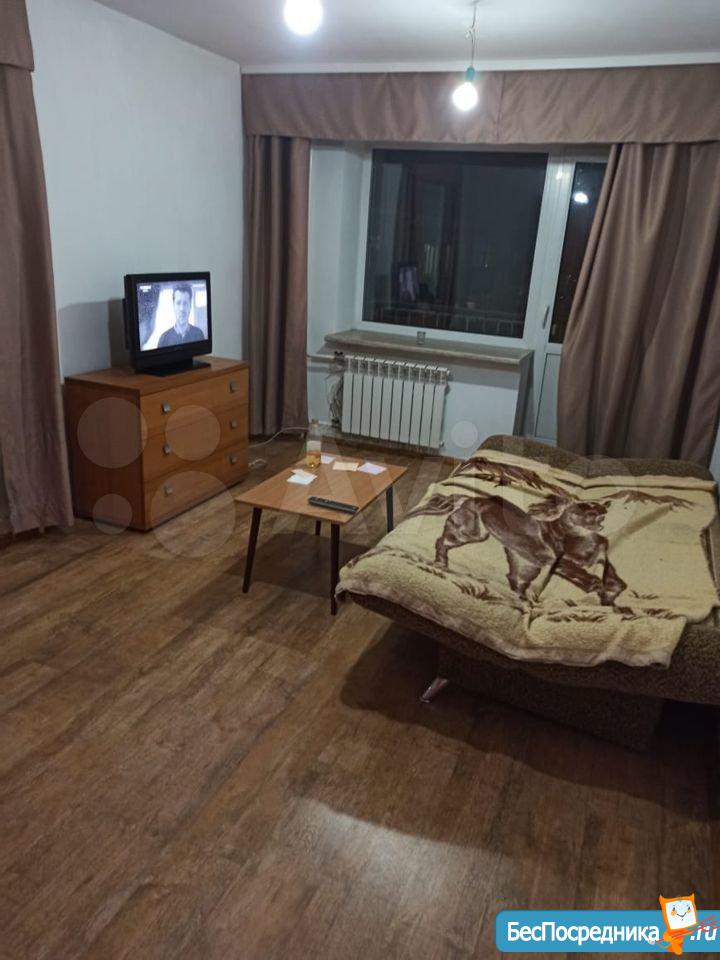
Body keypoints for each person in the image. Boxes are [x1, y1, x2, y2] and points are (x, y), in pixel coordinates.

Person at [157, 283, 205, 347]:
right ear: (173, 306)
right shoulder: (164, 339)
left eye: (185, 303)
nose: (182, 309)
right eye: (178, 303)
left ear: (190, 306)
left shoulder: (199, 334)